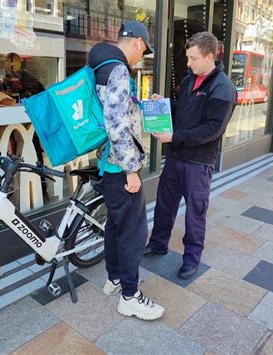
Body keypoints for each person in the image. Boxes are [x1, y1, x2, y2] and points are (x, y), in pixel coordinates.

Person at [88, 20, 165, 320]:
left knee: (116, 226)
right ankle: (130, 297)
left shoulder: (103, 66)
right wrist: (131, 169)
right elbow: (116, 124)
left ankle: (115, 278)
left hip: (109, 164)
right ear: (137, 43)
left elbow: (119, 110)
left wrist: (148, 105)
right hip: (121, 167)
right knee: (133, 232)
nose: (141, 58)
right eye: (143, 51)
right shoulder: (119, 70)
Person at [144, 32, 237, 279]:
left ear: (210, 56)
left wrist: (174, 137)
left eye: (193, 58)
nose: (189, 63)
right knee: (164, 205)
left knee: (195, 214)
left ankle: (192, 260)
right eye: (188, 58)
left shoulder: (224, 89)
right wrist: (161, 105)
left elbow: (211, 130)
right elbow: (180, 112)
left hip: (198, 163)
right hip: (175, 158)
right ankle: (158, 243)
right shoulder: (188, 81)